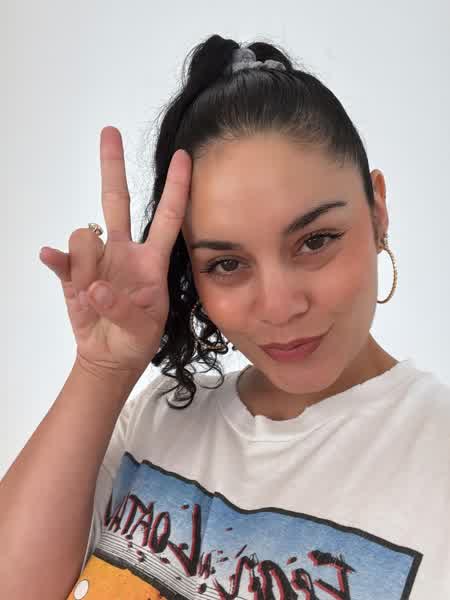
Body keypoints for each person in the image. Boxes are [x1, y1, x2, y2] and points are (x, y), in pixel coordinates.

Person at [1, 34, 449, 599]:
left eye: (316, 241)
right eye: (228, 263)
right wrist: (102, 370)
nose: (280, 306)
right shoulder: (161, 414)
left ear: (377, 209)